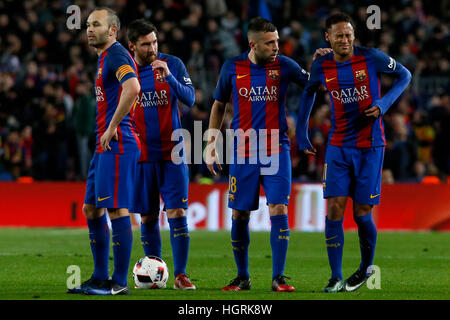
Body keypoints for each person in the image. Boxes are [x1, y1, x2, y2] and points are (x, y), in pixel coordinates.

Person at [206, 16, 329, 292]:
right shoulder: (232, 67)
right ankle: (242, 277)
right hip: (242, 151)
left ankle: (278, 277)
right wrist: (210, 145)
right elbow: (218, 106)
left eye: (277, 41)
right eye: (270, 42)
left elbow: (315, 86)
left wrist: (322, 63)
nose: (276, 46)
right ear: (253, 44)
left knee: (279, 208)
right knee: (240, 214)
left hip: (277, 149)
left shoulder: (284, 65)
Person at [296, 12, 411, 293]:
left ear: (353, 35)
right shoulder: (322, 64)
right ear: (328, 38)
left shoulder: (371, 57)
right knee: (334, 208)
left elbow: (404, 75)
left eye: (348, 34)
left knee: (362, 214)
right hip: (337, 145)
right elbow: (308, 92)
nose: (345, 39)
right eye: (339, 35)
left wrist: (383, 104)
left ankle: (365, 268)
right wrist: (301, 133)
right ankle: (335, 277)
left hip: (370, 146)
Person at [67, 7, 141, 295]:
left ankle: (119, 283)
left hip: (118, 141)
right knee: (91, 208)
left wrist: (112, 126)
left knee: (115, 208)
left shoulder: (118, 54)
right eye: (87, 24)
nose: (89, 29)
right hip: (105, 144)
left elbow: (133, 88)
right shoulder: (103, 59)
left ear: (112, 30)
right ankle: (99, 277)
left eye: (96, 24)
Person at [127, 19, 196, 290]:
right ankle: (153, 269)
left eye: (155, 42)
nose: (152, 48)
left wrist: (169, 77)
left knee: (177, 211)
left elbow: (190, 98)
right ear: (133, 46)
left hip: (173, 153)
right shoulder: (125, 71)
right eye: (146, 44)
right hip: (141, 156)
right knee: (147, 216)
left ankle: (180, 275)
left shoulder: (173, 64)